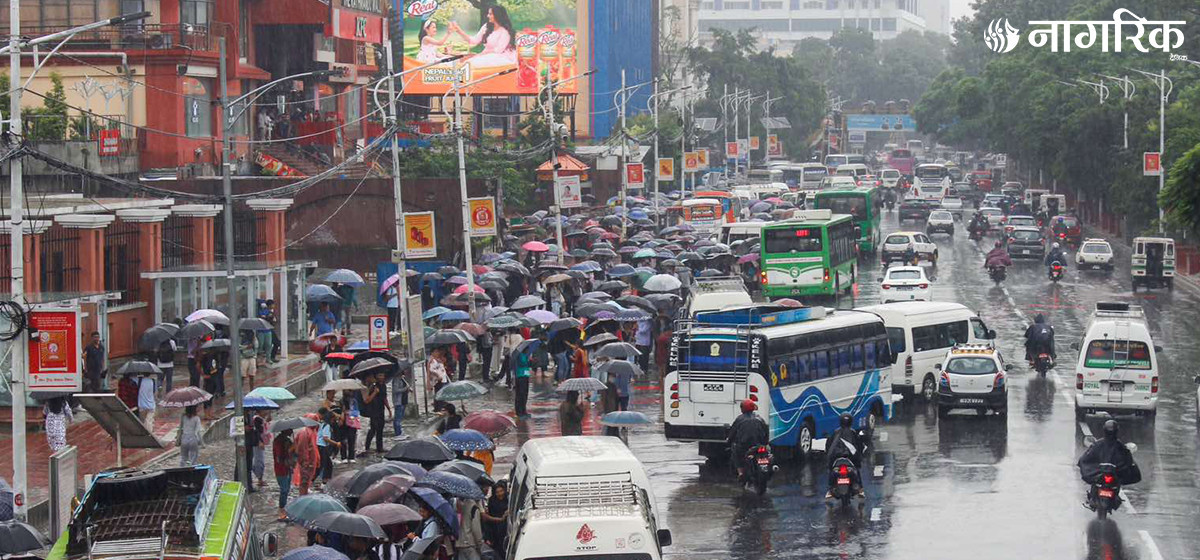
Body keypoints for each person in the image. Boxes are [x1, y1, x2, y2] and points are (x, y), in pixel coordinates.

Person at [1078, 420, 1141, 504]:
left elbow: (1087, 458)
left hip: (1109, 473)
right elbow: (1087, 457)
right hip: (1105, 474)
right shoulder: (1118, 446)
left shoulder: (1103, 445)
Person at [447, 5, 517, 68]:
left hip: (500, 56)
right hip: (487, 54)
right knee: (467, 62)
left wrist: (480, 55)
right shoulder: (486, 26)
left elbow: (498, 51)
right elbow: (474, 41)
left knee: (472, 63)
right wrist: (458, 30)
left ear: (497, 15)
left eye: (490, 14)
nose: (487, 16)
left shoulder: (505, 31)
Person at [825, 413, 866, 498]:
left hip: (835, 457)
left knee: (830, 469)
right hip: (851, 457)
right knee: (857, 469)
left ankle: (829, 490)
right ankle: (861, 490)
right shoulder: (853, 432)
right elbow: (860, 446)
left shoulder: (835, 432)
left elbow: (828, 445)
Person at [727, 399, 769, 481]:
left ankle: (740, 472)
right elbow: (766, 432)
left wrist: (729, 441)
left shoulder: (739, 419)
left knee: (735, 452)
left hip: (743, 446)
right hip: (759, 445)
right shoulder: (760, 418)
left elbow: (732, 433)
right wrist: (765, 443)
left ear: (743, 408)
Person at [361, 371, 388, 454]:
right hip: (373, 410)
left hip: (381, 409)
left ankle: (379, 447)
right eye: (380, 375)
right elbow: (367, 400)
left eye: (382, 375)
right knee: (373, 429)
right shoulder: (372, 387)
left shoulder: (383, 386)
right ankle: (367, 446)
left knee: (380, 428)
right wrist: (375, 392)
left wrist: (389, 408)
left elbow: (384, 398)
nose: (381, 377)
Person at [273, 428, 296, 519]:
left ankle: (284, 507)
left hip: (287, 468)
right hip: (281, 469)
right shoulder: (279, 441)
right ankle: (282, 509)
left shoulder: (286, 440)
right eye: (290, 430)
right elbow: (279, 457)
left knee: (286, 489)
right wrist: (290, 449)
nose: (292, 431)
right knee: (284, 489)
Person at [481, 481, 508, 554]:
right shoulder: (492, 501)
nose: (500, 494)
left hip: (507, 528)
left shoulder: (508, 499)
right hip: (496, 530)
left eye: (501, 491)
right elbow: (490, 516)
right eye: (497, 492)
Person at [456, 491, 485, 560]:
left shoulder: (460, 505)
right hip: (470, 543)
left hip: (460, 542)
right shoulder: (474, 508)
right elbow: (476, 529)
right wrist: (480, 544)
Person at [316, 407, 341, 484]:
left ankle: (325, 481)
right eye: (333, 420)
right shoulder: (327, 426)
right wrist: (336, 443)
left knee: (328, 464)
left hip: (322, 446)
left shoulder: (322, 424)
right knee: (322, 466)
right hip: (321, 447)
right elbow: (325, 438)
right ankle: (312, 480)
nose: (334, 422)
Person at [295, 422, 319, 495]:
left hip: (310, 461)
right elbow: (302, 449)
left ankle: (304, 493)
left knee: (306, 480)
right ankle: (302, 495)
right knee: (304, 481)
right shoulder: (305, 433)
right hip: (307, 463)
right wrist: (305, 461)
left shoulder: (311, 432)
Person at [513, 346, 533, 418]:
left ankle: (524, 410)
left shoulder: (525, 355)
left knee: (525, 394)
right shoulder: (520, 355)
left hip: (525, 375)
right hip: (520, 376)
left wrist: (531, 361)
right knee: (520, 394)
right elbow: (522, 363)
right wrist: (528, 360)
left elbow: (528, 365)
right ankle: (519, 412)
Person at [391, 364, 410, 437]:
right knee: (397, 418)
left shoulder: (402, 378)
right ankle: (397, 434)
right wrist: (405, 389)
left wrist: (407, 389)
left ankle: (400, 432)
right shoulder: (396, 379)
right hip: (399, 402)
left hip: (403, 400)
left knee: (400, 417)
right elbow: (395, 390)